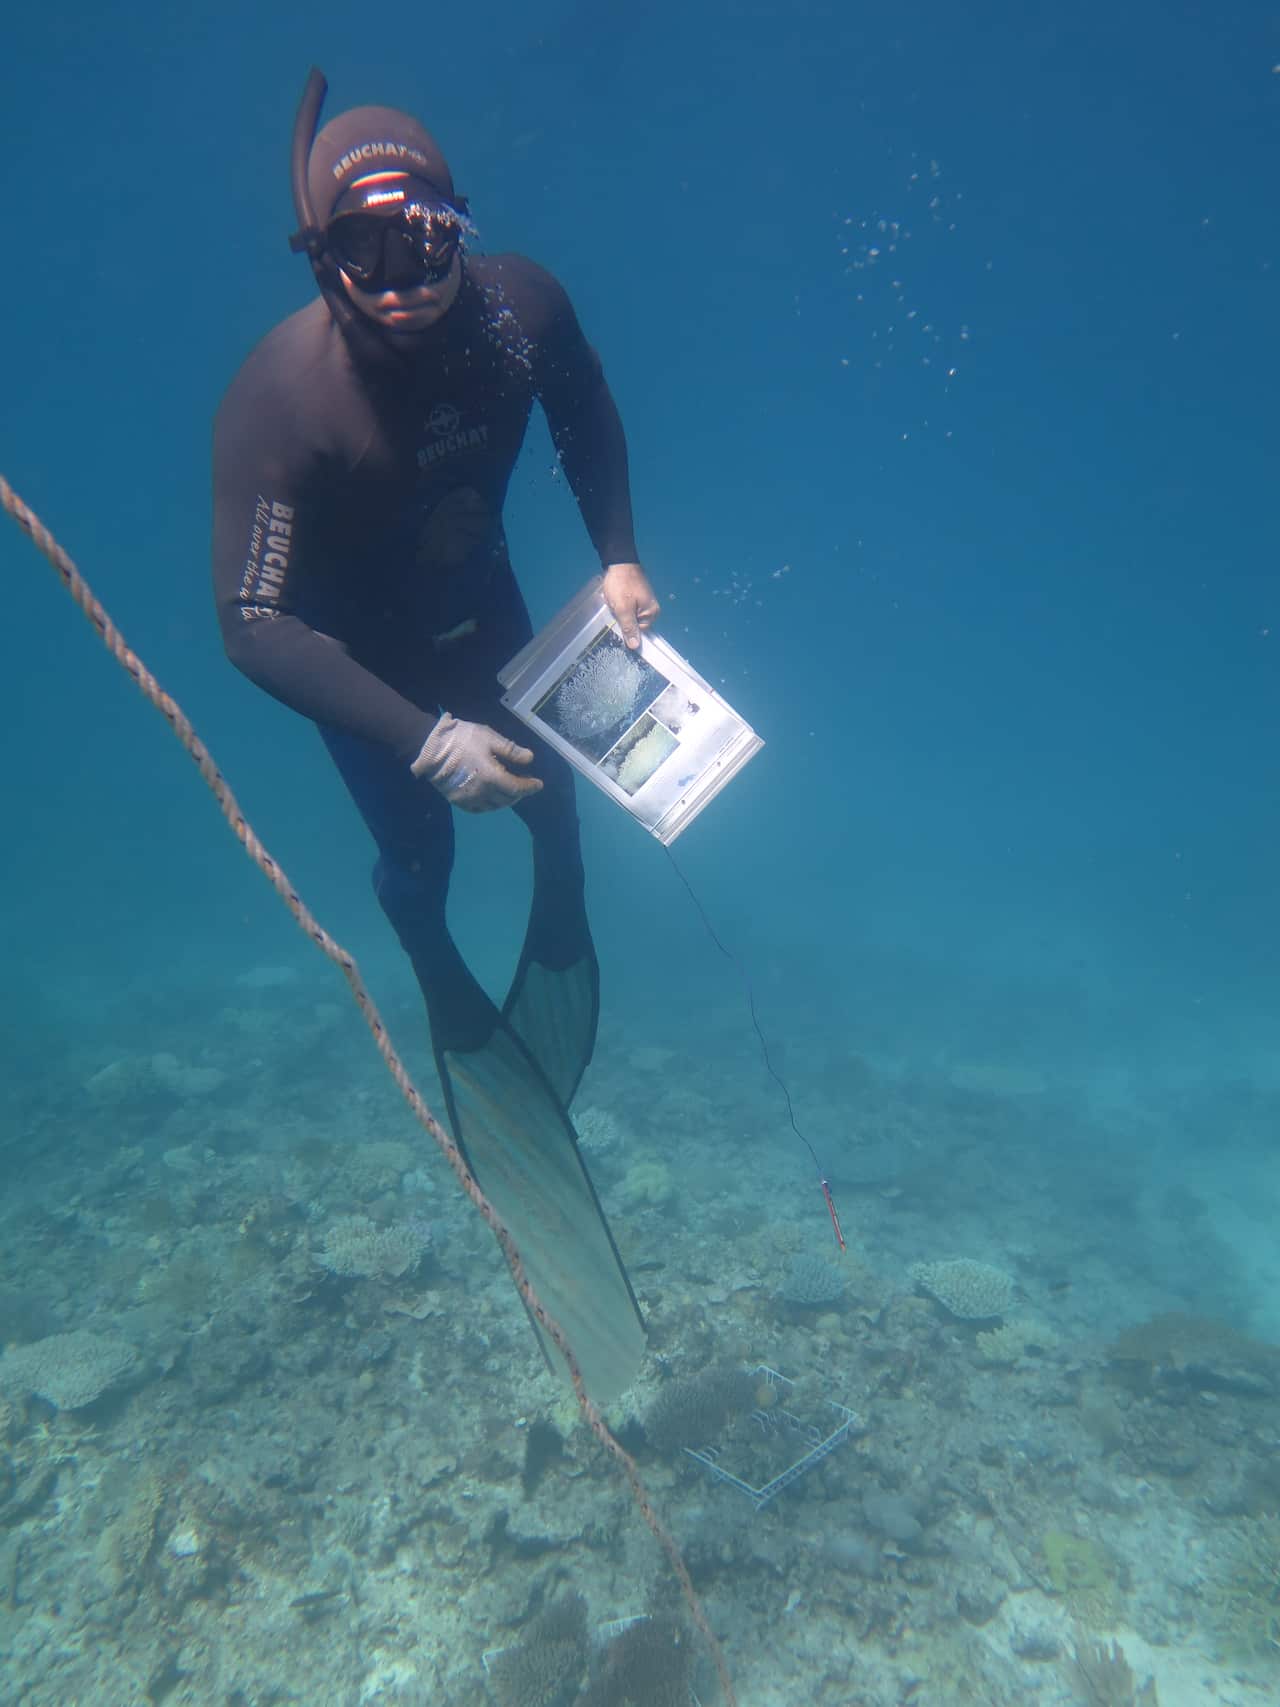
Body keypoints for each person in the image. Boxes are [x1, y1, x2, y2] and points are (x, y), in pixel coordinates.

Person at [211, 72, 654, 1399]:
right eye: (364, 253)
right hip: (375, 672)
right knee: (431, 848)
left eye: (427, 244)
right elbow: (253, 621)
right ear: (320, 256)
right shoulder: (285, 401)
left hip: (488, 611)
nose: (402, 282)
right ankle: (435, 965)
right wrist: (423, 745)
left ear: (463, 225)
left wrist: (620, 560)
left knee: (559, 800)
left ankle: (563, 918)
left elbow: (583, 411)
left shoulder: (523, 312)